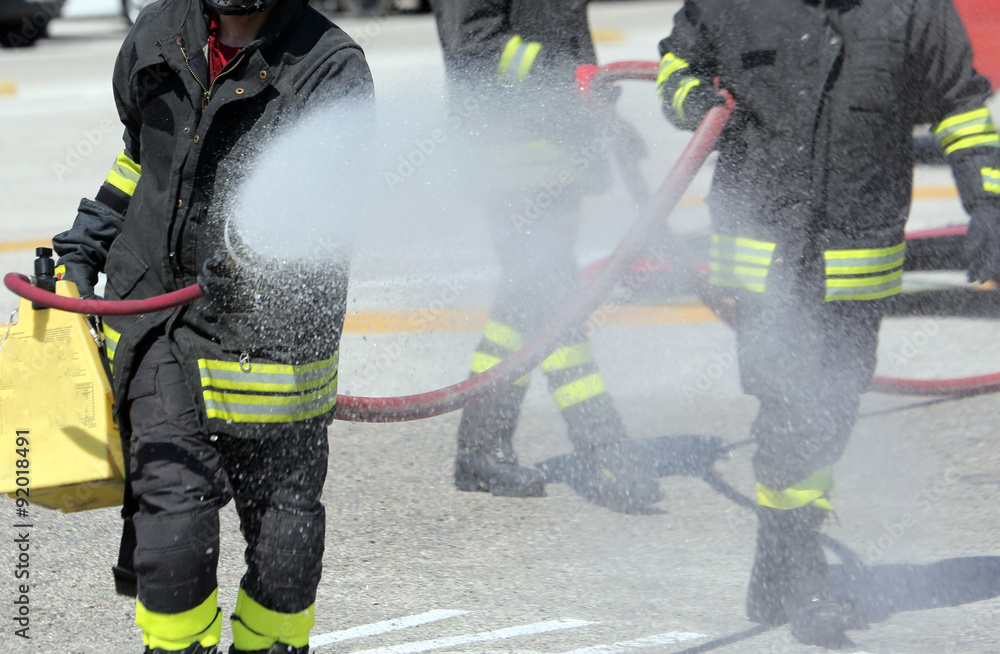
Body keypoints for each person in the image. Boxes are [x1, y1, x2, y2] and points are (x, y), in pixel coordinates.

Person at [656, 0, 1000, 648]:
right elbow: (675, 66)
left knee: (832, 409)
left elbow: (959, 105)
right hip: (762, 247)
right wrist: (694, 99)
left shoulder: (913, 9)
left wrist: (987, 201)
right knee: (788, 405)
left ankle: (773, 564)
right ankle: (805, 574)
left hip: (857, 250)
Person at [49, 0, 374, 650]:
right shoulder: (157, 36)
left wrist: (261, 255)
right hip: (162, 323)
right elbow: (142, 160)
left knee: (287, 548)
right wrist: (86, 243)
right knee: (175, 530)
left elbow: (335, 204)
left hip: (273, 352)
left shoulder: (331, 68)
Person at [428, 0, 663, 514]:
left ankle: (481, 447)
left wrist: (602, 118)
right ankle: (602, 448)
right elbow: (476, 46)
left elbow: (559, 34)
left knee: (525, 300)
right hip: (511, 153)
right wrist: (564, 77)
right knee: (554, 299)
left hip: (554, 147)